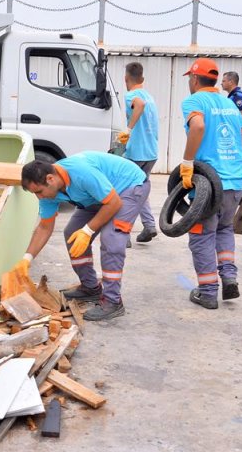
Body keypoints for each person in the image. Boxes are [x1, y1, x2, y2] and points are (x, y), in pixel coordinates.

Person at [11, 152, 149, 321]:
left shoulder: (81, 173)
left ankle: (113, 301)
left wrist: (88, 230)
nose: (39, 197)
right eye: (35, 193)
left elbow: (114, 203)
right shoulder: (48, 191)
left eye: (39, 191)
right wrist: (27, 258)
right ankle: (90, 288)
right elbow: (44, 227)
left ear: (50, 179)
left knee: (111, 238)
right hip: (97, 196)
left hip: (128, 186)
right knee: (72, 233)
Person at [179, 58, 242, 310]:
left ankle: (208, 292)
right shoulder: (231, 105)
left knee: (201, 236)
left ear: (194, 79)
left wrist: (187, 162)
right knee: (224, 230)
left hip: (209, 187)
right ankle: (229, 276)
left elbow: (198, 125)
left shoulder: (194, 101)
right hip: (234, 183)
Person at [117, 62, 160, 243]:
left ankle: (122, 234)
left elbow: (138, 105)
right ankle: (149, 226)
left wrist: (127, 129)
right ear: (142, 78)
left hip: (136, 153)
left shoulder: (132, 95)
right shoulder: (149, 96)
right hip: (151, 152)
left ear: (126, 79)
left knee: (125, 192)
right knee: (140, 189)